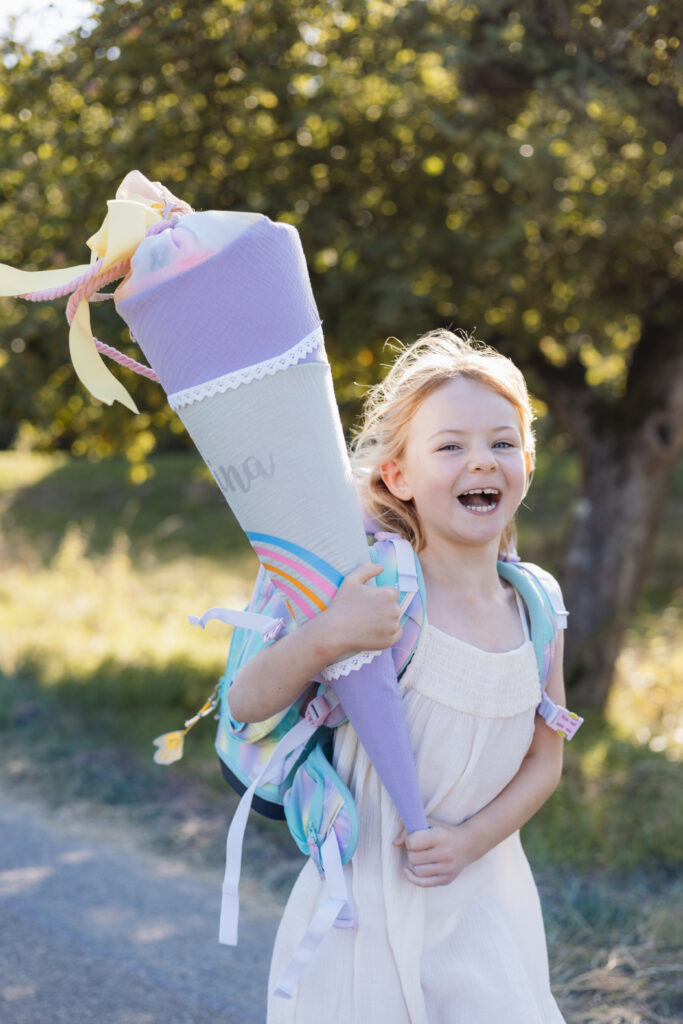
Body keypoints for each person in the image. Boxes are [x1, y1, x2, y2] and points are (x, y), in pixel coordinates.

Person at [228, 329, 567, 1024]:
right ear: (397, 476)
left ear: (527, 464)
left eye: (502, 443)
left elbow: (545, 760)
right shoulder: (373, 587)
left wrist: (471, 841)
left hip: (485, 908)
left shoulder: (537, 607)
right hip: (364, 913)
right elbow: (246, 702)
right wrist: (327, 635)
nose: (482, 460)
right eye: (450, 446)